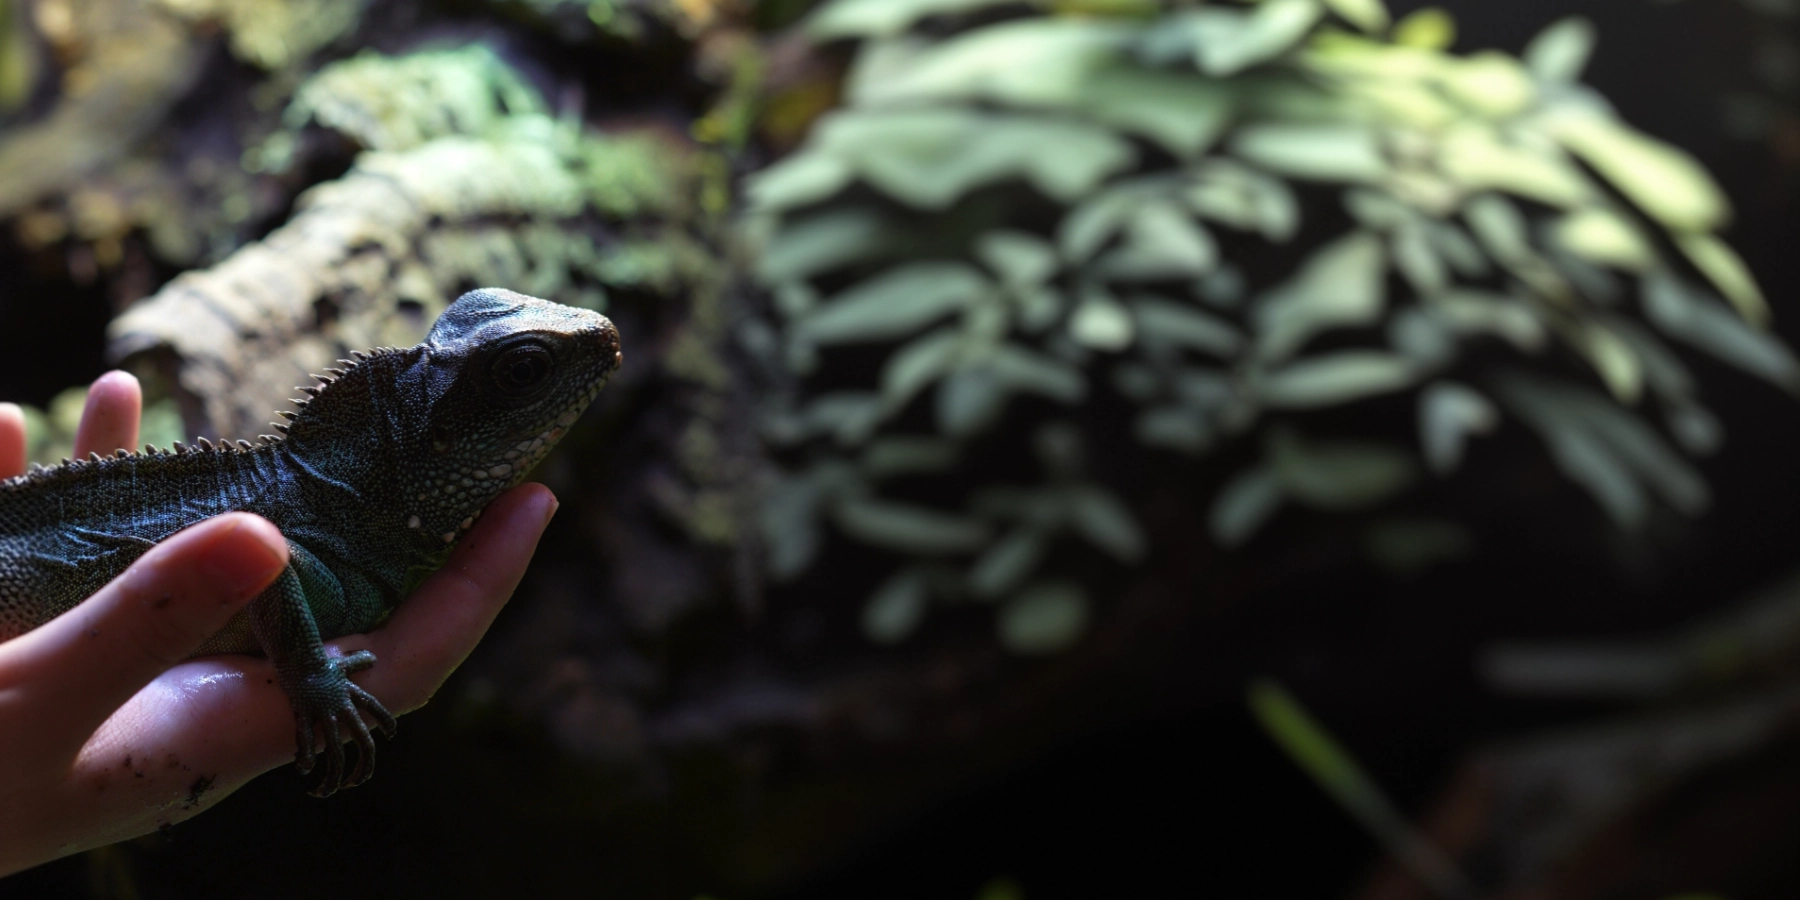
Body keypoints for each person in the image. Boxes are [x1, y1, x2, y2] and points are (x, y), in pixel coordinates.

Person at [0, 371, 555, 875]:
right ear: (442, 430)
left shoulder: (355, 536)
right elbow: (272, 567)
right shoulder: (332, 550)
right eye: (522, 370)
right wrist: (310, 677)